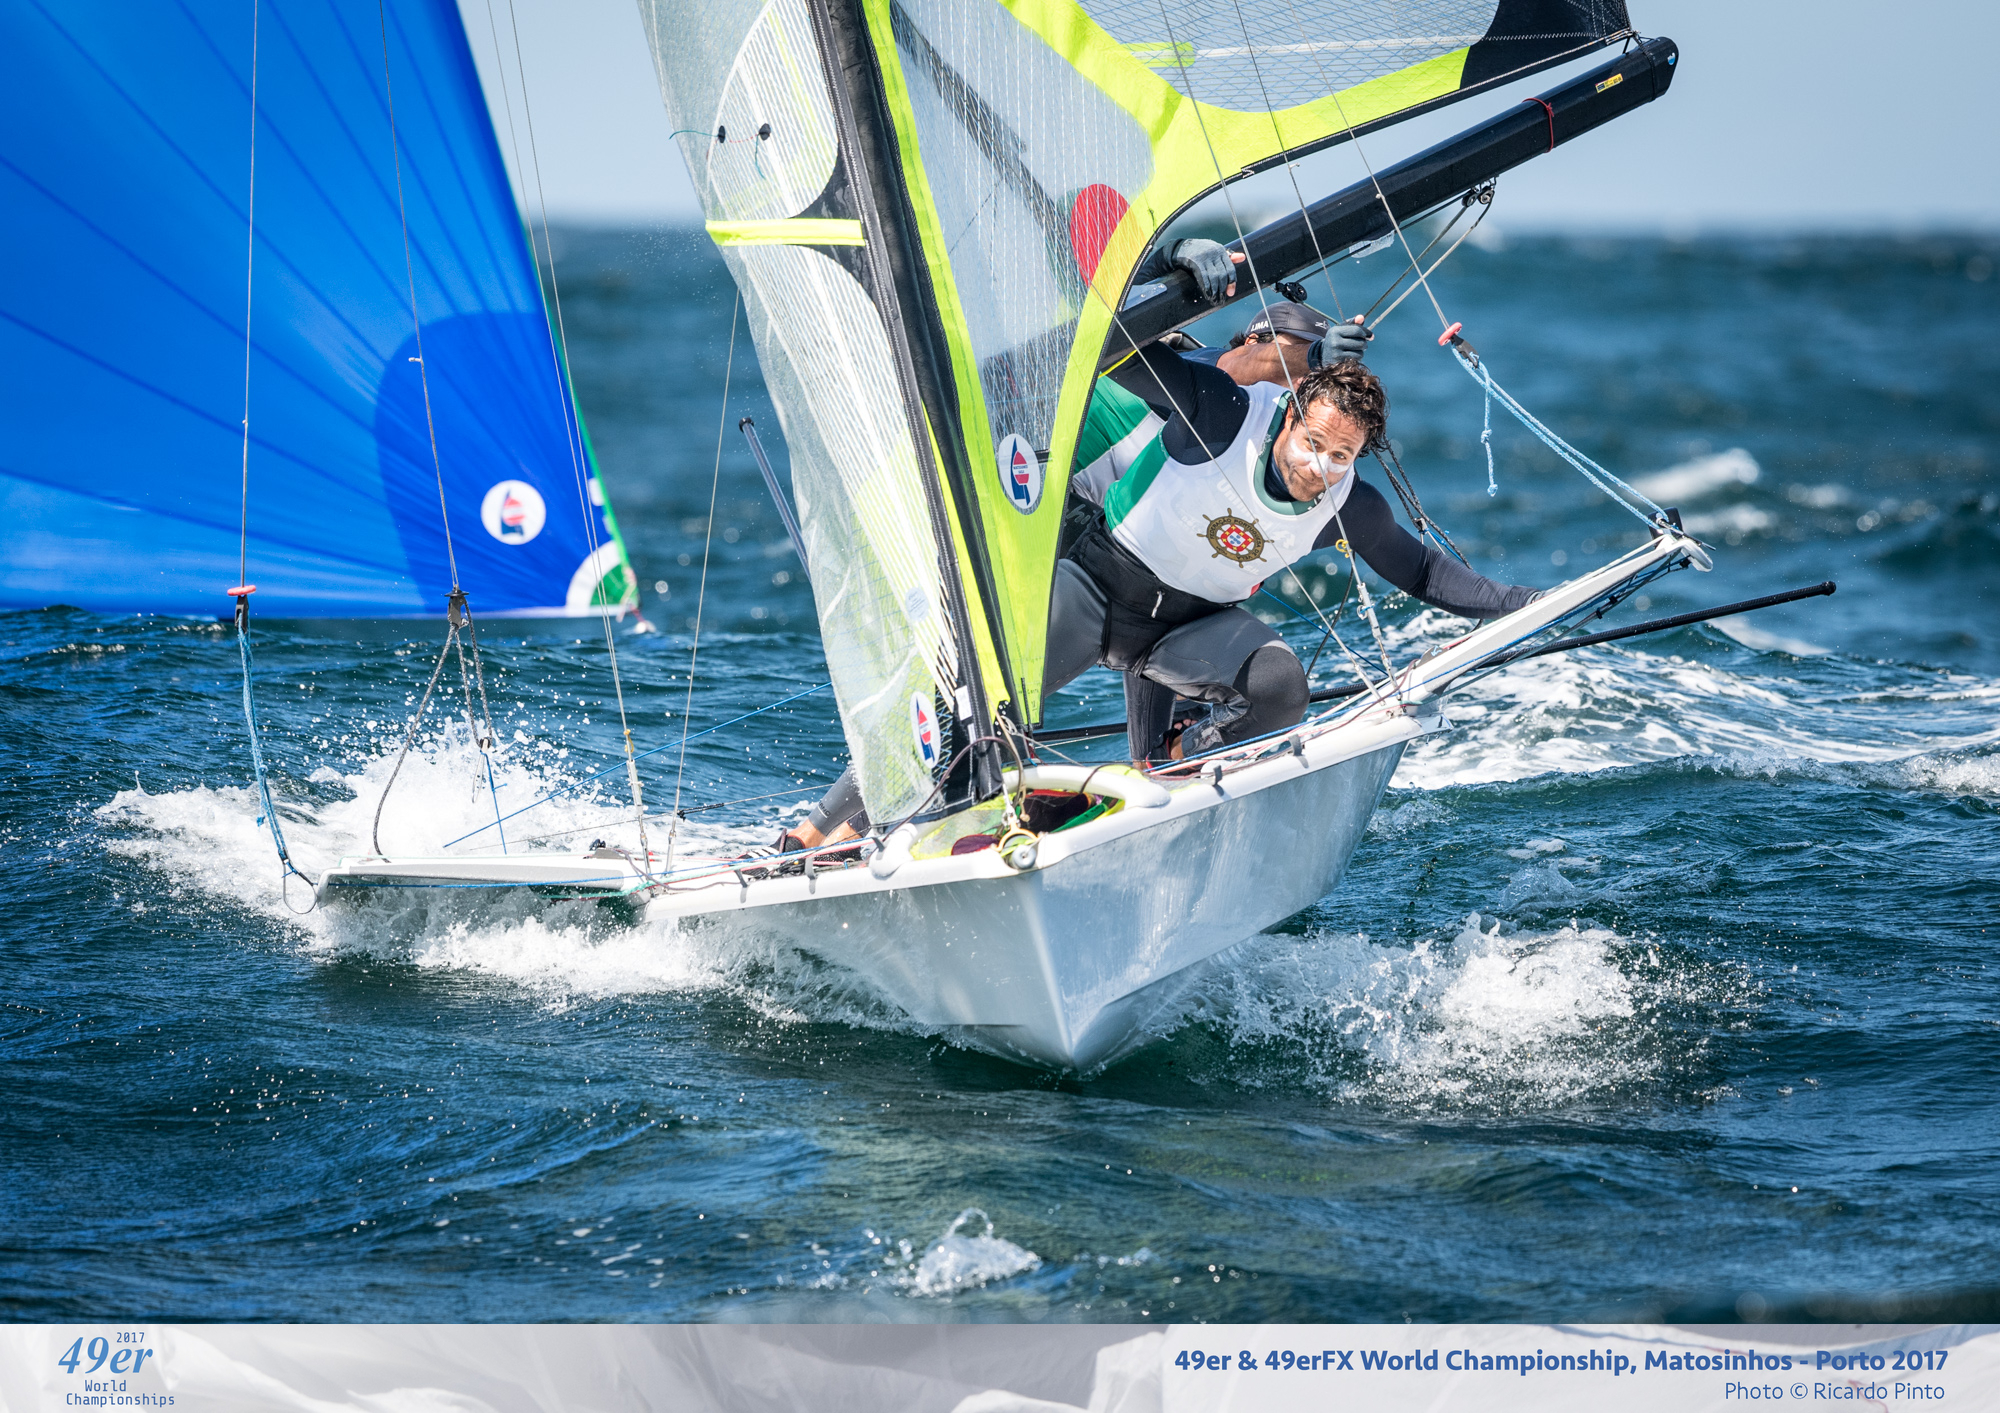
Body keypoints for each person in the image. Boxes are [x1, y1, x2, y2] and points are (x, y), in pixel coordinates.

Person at [782, 241, 1535, 851]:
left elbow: (1422, 570)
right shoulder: (1220, 409)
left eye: (1341, 456)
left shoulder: (1347, 502)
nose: (1320, 467)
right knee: (975, 707)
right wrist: (1171, 263)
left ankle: (1174, 766)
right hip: (1095, 584)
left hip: (1186, 628)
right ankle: (821, 829)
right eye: (1313, 444)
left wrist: (1528, 604)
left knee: (1281, 687)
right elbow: (1101, 346)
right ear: (1289, 416)